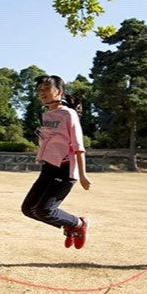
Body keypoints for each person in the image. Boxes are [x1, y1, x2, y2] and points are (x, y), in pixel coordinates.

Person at [21, 74, 92, 248]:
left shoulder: (68, 114)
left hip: (65, 170)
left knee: (44, 210)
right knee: (28, 209)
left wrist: (83, 175)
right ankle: (70, 225)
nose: (42, 93)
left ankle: (79, 224)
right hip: (48, 168)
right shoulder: (46, 115)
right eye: (40, 90)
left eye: (47, 89)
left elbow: (78, 145)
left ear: (59, 91)